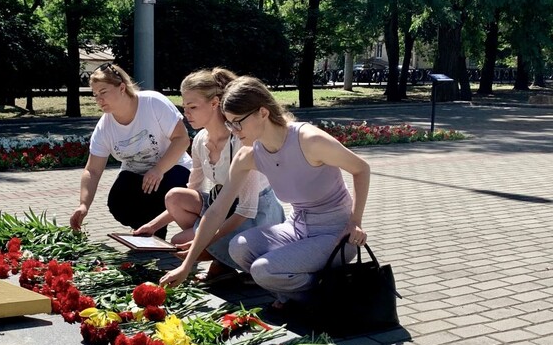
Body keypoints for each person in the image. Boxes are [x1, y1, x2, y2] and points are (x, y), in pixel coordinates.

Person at [160, 76, 370, 309]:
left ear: (263, 112)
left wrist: (355, 222)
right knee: (239, 247)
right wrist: (187, 265)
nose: (234, 130)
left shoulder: (309, 140)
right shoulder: (249, 154)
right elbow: (217, 210)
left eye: (237, 122)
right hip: (296, 228)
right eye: (229, 123)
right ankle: (296, 295)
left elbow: (361, 168)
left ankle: (325, 299)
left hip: (337, 234)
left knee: (263, 270)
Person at [133, 68, 284, 283]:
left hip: (255, 215)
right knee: (175, 197)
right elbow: (193, 191)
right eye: (184, 107)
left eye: (193, 107)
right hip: (224, 207)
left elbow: (246, 210)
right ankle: (221, 260)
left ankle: (229, 261)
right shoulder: (200, 140)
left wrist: (202, 242)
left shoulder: (240, 140)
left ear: (214, 103)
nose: (186, 114)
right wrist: (152, 227)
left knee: (182, 242)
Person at [70, 63, 193, 239]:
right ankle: (147, 234)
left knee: (159, 191)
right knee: (118, 202)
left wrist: (158, 169)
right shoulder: (104, 127)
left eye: (103, 92)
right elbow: (93, 170)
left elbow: (182, 139)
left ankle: (175, 232)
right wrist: (83, 205)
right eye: (95, 95)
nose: (99, 99)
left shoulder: (152, 102)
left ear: (122, 88)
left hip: (173, 167)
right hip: (136, 173)